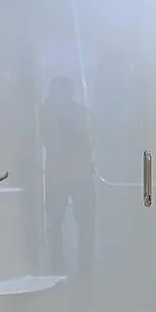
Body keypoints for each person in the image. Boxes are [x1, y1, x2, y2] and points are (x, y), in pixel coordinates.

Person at [40, 76, 95, 275]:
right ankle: (56, 267)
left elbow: (92, 139)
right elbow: (50, 141)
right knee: (54, 222)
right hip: (58, 175)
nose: (62, 95)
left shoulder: (82, 113)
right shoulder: (44, 113)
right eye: (58, 91)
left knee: (86, 222)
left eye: (65, 90)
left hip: (80, 175)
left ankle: (85, 266)